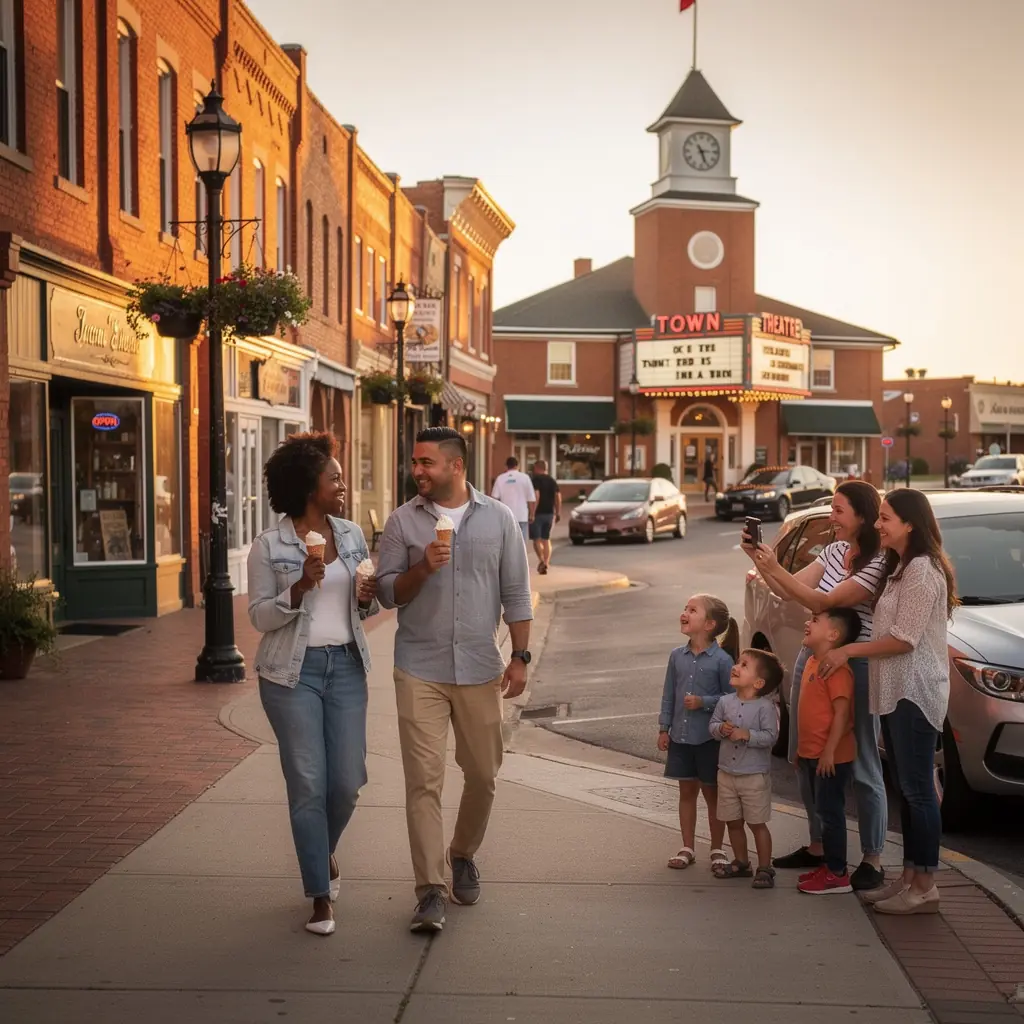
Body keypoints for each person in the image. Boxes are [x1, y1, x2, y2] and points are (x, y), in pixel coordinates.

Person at [376, 427, 534, 934]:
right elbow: (387, 593)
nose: (417, 471)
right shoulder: (402, 521)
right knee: (424, 781)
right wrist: (423, 568)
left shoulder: (499, 518)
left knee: (483, 774)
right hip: (418, 668)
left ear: (456, 465)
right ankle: (429, 890)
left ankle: (462, 853)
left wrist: (520, 657)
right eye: (415, 462)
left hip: (480, 667)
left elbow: (517, 592)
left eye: (426, 463)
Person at [246, 432, 379, 937]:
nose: (343, 486)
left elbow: (366, 606)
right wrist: (300, 585)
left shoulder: (351, 534)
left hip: (346, 666)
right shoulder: (269, 546)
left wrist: (366, 596)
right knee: (307, 784)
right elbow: (259, 617)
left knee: (346, 783)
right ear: (308, 486)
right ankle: (320, 897)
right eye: (334, 478)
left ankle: (321, 851)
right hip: (290, 675)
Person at [743, 480, 888, 891]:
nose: (832, 518)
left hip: (856, 663)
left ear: (863, 516)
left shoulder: (878, 562)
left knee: (863, 762)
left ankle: (873, 858)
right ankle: (819, 845)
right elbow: (788, 590)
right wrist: (762, 560)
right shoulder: (835, 550)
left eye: (839, 511)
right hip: (814, 659)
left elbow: (822, 602)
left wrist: (773, 567)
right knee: (805, 756)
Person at [819, 490, 956, 915]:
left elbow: (904, 640)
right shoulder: (900, 566)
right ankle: (910, 879)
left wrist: (847, 651)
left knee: (918, 792)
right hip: (895, 692)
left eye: (885, 518)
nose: (878, 525)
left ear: (910, 523)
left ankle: (925, 886)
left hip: (915, 692)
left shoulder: (923, 570)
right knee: (908, 790)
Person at [657, 594, 739, 874]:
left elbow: (732, 699)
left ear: (709, 624)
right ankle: (687, 847)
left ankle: (717, 848)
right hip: (680, 737)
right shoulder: (676, 656)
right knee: (686, 792)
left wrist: (703, 702)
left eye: (693, 610)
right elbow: (669, 694)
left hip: (709, 740)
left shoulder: (722, 660)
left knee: (712, 794)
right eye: (685, 608)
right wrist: (664, 728)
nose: (685, 613)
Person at [793, 608, 862, 895]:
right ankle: (829, 866)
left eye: (815, 620)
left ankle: (837, 874)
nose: (807, 623)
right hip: (812, 755)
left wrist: (829, 752)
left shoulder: (837, 670)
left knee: (830, 813)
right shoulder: (812, 661)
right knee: (822, 811)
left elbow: (842, 714)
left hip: (830, 758)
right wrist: (802, 751)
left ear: (833, 634)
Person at [709, 649, 782, 889]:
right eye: (738, 662)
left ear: (758, 683)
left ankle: (765, 867)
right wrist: (721, 729)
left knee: (756, 823)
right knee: (733, 821)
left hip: (754, 777)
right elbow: (713, 726)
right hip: (726, 773)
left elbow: (771, 736)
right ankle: (741, 862)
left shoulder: (765, 707)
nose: (736, 667)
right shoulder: (725, 702)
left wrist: (747, 735)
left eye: (744, 665)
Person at [491, 456, 536, 545]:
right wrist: (532, 514)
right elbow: (531, 498)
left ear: (506, 466)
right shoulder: (525, 478)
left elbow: (494, 498)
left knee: (507, 543)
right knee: (522, 544)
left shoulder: (500, 478)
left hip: (505, 516)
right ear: (518, 465)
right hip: (521, 516)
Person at [529, 459, 561, 575]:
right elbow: (558, 497)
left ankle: (541, 560)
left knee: (536, 539)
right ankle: (546, 563)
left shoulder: (535, 480)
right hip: (549, 514)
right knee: (546, 539)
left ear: (537, 468)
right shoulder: (552, 481)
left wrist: (532, 512)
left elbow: (536, 495)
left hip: (538, 514)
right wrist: (558, 512)